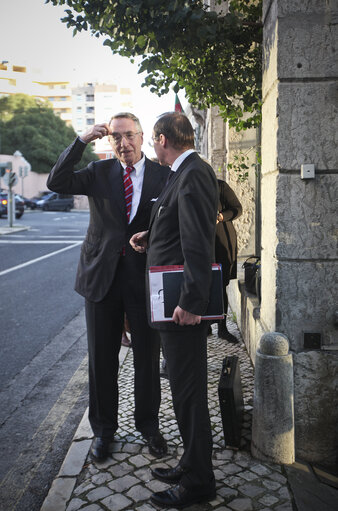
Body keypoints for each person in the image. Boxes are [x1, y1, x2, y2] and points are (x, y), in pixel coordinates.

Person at [47, 112, 169, 461]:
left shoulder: (163, 176)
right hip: (101, 280)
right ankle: (103, 431)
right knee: (102, 361)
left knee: (147, 357)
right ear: (109, 140)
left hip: (144, 282)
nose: (122, 142)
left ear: (142, 137)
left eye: (129, 135)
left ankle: (149, 426)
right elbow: (57, 181)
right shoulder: (99, 172)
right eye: (115, 137)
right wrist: (82, 140)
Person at [130, 112, 218, 509]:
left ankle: (199, 482)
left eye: (152, 140)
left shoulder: (194, 172)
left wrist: (191, 301)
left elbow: (200, 241)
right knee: (184, 392)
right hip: (172, 302)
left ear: (164, 139)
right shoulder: (182, 172)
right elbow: (181, 226)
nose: (151, 147)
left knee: (188, 395)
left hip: (181, 306)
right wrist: (154, 234)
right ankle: (190, 462)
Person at [213, 179, 242, 341]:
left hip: (221, 239)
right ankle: (205, 326)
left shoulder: (220, 186)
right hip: (198, 242)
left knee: (219, 284)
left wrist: (222, 216)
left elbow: (237, 209)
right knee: (200, 284)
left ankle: (222, 328)